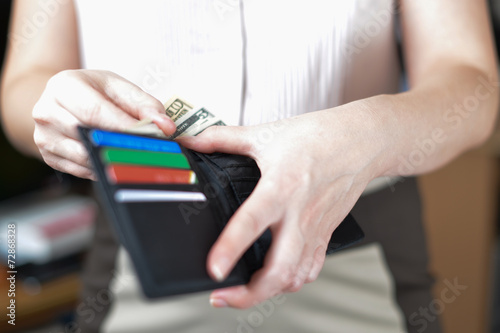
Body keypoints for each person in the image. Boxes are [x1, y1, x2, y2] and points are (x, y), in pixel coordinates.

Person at [1, 0, 498, 332]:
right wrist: (55, 108)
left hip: (360, 235)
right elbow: (24, 81)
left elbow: (473, 83)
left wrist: (362, 134)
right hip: (141, 240)